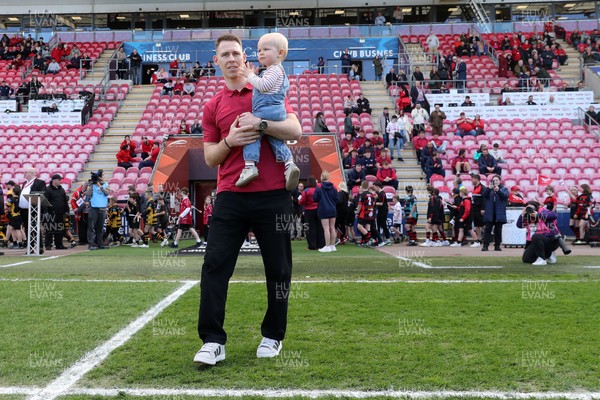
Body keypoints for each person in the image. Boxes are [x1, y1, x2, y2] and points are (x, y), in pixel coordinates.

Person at [194, 34, 302, 366]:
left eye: (236, 53)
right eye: (224, 54)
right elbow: (211, 158)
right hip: (230, 196)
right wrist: (230, 141)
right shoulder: (213, 105)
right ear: (216, 61)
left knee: (279, 270)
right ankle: (213, 341)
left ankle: (273, 336)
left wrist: (262, 124)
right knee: (214, 267)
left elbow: (295, 131)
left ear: (246, 59)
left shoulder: (267, 88)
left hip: (274, 196)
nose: (231, 59)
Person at [236, 33, 300, 190]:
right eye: (259, 50)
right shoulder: (273, 71)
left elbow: (263, 86)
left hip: (267, 110)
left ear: (280, 53)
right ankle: (289, 164)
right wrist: (255, 74)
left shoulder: (275, 70)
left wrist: (249, 75)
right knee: (275, 139)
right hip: (275, 112)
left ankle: (250, 166)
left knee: (252, 133)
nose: (261, 53)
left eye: (266, 49)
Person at [518, 201, 563, 266]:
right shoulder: (527, 216)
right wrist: (522, 214)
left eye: (532, 208)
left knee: (536, 236)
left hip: (551, 239)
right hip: (537, 241)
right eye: (528, 208)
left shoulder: (542, 211)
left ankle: (542, 259)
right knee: (527, 259)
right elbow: (519, 225)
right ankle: (548, 254)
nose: (530, 210)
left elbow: (554, 215)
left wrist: (538, 214)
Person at [313, 171, 339, 253]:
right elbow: (337, 198)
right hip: (332, 209)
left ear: (321, 177)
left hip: (323, 209)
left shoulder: (319, 186)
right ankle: (332, 245)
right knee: (332, 227)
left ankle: (327, 246)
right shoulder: (333, 186)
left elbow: (315, 198)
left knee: (326, 228)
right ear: (328, 177)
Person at [482, 174, 509, 252]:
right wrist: (488, 189)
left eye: (497, 180)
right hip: (490, 212)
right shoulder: (489, 188)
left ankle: (497, 246)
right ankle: (485, 246)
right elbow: (484, 196)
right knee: (487, 230)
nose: (495, 181)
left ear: (500, 181)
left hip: (499, 213)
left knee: (498, 230)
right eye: (494, 180)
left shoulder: (504, 189)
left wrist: (498, 191)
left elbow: (505, 196)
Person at [43, 174, 70, 250]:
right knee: (50, 229)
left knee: (60, 230)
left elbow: (65, 201)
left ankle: (59, 244)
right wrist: (46, 212)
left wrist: (66, 210)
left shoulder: (61, 189)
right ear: (54, 180)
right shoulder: (48, 189)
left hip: (61, 213)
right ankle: (48, 245)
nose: (60, 181)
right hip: (51, 213)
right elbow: (44, 201)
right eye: (59, 180)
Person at [84, 171, 109, 251]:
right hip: (93, 208)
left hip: (102, 208)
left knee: (100, 227)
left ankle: (100, 243)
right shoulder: (91, 186)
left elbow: (106, 193)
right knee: (91, 227)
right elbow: (88, 194)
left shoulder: (105, 184)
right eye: (102, 176)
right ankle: (91, 244)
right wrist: (92, 185)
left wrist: (100, 186)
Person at [299, 176, 325, 251]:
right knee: (319, 228)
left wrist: (299, 201)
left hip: (309, 211)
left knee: (310, 229)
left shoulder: (306, 191)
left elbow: (302, 201)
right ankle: (321, 245)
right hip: (318, 210)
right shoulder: (318, 190)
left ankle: (312, 246)